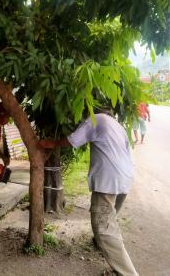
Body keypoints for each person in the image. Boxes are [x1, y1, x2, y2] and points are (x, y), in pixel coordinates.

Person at [39, 110, 138, 276]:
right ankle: (100, 244)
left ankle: (128, 273)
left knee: (103, 227)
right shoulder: (117, 125)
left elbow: (73, 140)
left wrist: (53, 143)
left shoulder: (96, 119)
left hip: (109, 180)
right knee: (109, 219)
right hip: (125, 177)